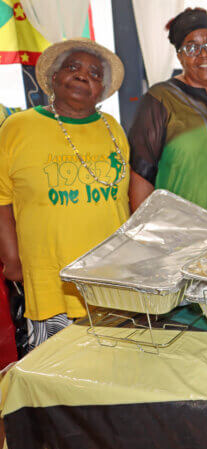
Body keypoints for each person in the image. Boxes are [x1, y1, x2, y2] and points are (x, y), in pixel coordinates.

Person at [0, 38, 129, 349]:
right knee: (55, 379)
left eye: (95, 74)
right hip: (49, 280)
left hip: (109, 279)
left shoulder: (113, 128)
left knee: (111, 374)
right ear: (53, 77)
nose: (83, 75)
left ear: (101, 91)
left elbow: (122, 202)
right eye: (72, 67)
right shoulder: (18, 127)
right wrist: (11, 257)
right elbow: (2, 199)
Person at [128, 8, 207, 216]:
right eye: (191, 48)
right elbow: (140, 178)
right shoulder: (160, 100)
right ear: (179, 57)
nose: (203, 54)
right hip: (180, 233)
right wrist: (152, 239)